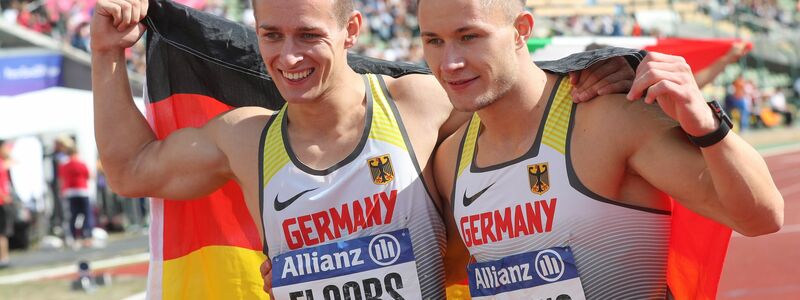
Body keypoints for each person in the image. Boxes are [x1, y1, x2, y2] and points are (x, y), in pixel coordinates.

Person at [92, 0, 641, 298]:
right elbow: (131, 170)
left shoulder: (420, 102)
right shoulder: (246, 137)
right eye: (271, 35)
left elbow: (524, 100)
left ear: (351, 29)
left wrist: (599, 71)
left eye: (308, 35)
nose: (287, 57)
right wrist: (106, 54)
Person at [423, 0, 784, 299]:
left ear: (522, 30)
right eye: (433, 41)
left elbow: (761, 217)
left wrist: (707, 124)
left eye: (469, 36)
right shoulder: (450, 158)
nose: (449, 62)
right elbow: (448, 271)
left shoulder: (610, 120)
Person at [59, 142, 93, 248]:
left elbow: (61, 179)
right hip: (82, 191)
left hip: (70, 192)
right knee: (86, 215)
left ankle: (75, 237)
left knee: (73, 216)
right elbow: (89, 175)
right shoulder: (81, 164)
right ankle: (87, 237)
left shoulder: (64, 165)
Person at [0, 140, 13, 268]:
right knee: (2, 232)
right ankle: (3, 258)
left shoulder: (3, 162)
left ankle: (4, 257)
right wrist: (3, 195)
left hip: (3, 200)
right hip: (1, 201)